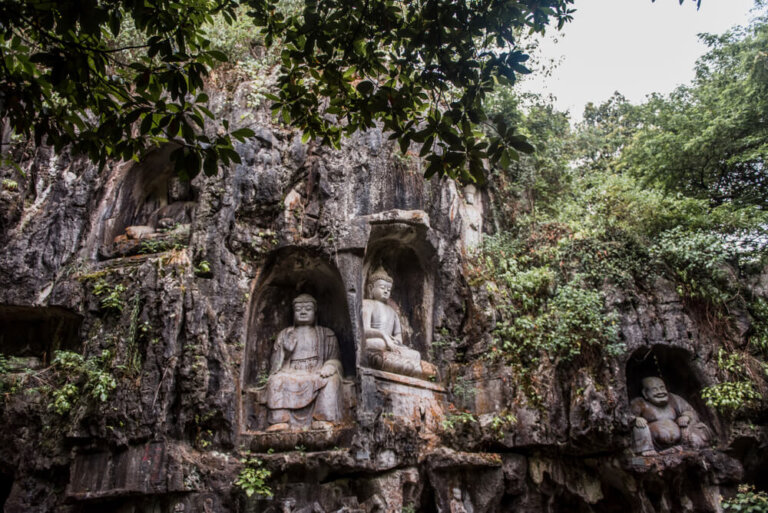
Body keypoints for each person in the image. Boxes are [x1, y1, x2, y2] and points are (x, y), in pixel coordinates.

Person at [264, 294, 343, 431]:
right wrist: (285, 352)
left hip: (317, 371)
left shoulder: (327, 334)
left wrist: (329, 366)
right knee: (275, 380)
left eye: (308, 308)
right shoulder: (285, 334)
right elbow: (275, 365)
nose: (303, 311)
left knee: (332, 380)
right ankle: (280, 420)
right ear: (293, 313)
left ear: (315, 312)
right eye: (299, 309)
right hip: (291, 371)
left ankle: (322, 418)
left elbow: (335, 358)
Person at [362, 269, 435, 378]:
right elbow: (364, 330)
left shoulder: (393, 312)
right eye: (382, 288)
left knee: (416, 355)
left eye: (388, 289)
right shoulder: (367, 304)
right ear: (371, 288)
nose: (386, 291)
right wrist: (384, 336)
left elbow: (398, 337)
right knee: (379, 344)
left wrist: (395, 341)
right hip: (376, 342)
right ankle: (410, 367)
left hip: (391, 346)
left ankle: (391, 362)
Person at [630, 376, 711, 455]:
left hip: (680, 441)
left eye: (662, 388)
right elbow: (628, 416)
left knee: (698, 427)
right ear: (645, 393)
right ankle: (646, 451)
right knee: (640, 426)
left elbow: (690, 411)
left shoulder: (673, 399)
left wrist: (686, 416)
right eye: (655, 389)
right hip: (654, 443)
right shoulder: (639, 403)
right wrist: (637, 419)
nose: (660, 392)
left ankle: (690, 446)